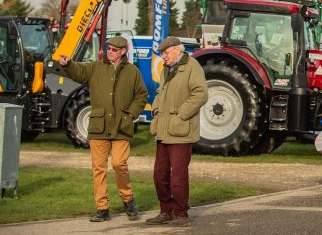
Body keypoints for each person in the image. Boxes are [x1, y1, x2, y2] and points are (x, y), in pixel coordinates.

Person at [58, 36, 148, 223]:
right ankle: (102, 209)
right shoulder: (96, 67)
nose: (110, 52)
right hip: (99, 127)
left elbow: (141, 95)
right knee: (98, 168)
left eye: (114, 50)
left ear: (123, 51)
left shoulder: (133, 72)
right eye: (108, 48)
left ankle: (128, 201)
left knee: (118, 164)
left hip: (121, 127)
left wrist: (131, 114)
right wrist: (68, 64)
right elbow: (78, 72)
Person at [146, 37, 209, 227]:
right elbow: (159, 93)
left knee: (178, 177)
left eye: (165, 53)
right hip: (163, 130)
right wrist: (156, 109)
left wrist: (181, 114)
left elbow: (201, 93)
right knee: (159, 175)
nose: (163, 57)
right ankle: (166, 211)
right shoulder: (167, 69)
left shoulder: (192, 66)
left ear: (176, 50)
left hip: (181, 131)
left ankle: (181, 214)